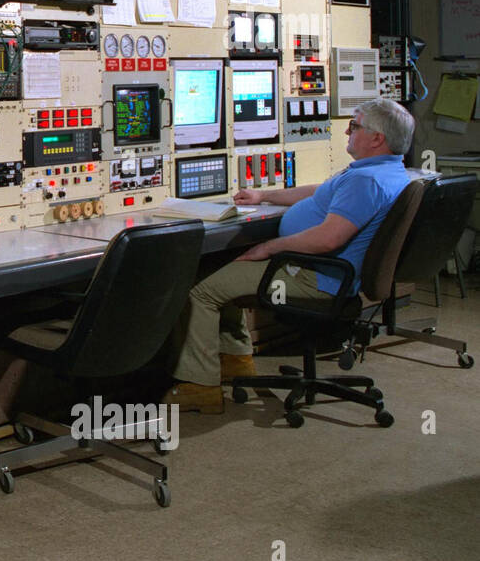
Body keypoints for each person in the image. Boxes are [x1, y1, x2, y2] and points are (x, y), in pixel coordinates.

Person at [167, 98, 416, 414]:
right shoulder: (386, 172)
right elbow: (322, 191)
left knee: (200, 289)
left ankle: (199, 387)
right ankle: (237, 364)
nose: (347, 132)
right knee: (219, 269)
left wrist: (268, 248)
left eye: (354, 126)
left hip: (313, 276)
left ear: (376, 138)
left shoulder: (366, 181)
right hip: (326, 273)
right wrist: (264, 196)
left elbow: (328, 239)